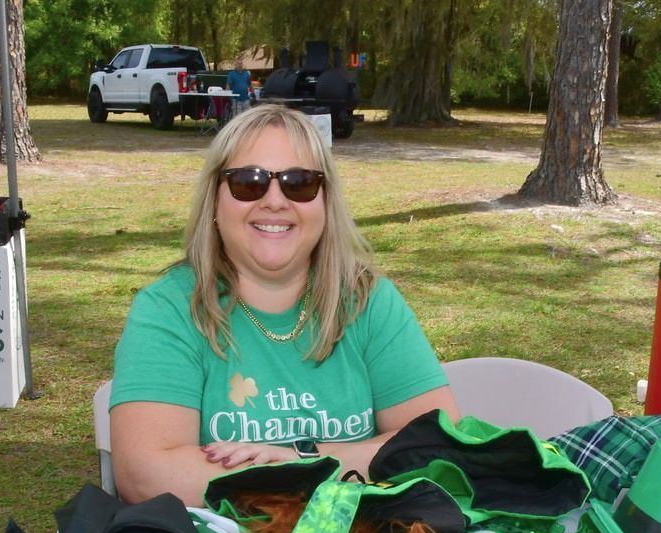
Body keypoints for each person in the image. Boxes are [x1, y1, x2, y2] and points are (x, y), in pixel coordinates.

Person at [109, 104, 459, 506]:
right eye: (248, 182)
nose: (275, 201)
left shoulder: (368, 301)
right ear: (215, 201)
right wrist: (335, 469)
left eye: (299, 183)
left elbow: (439, 443)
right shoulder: (169, 308)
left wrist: (302, 463)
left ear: (324, 202)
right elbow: (144, 475)